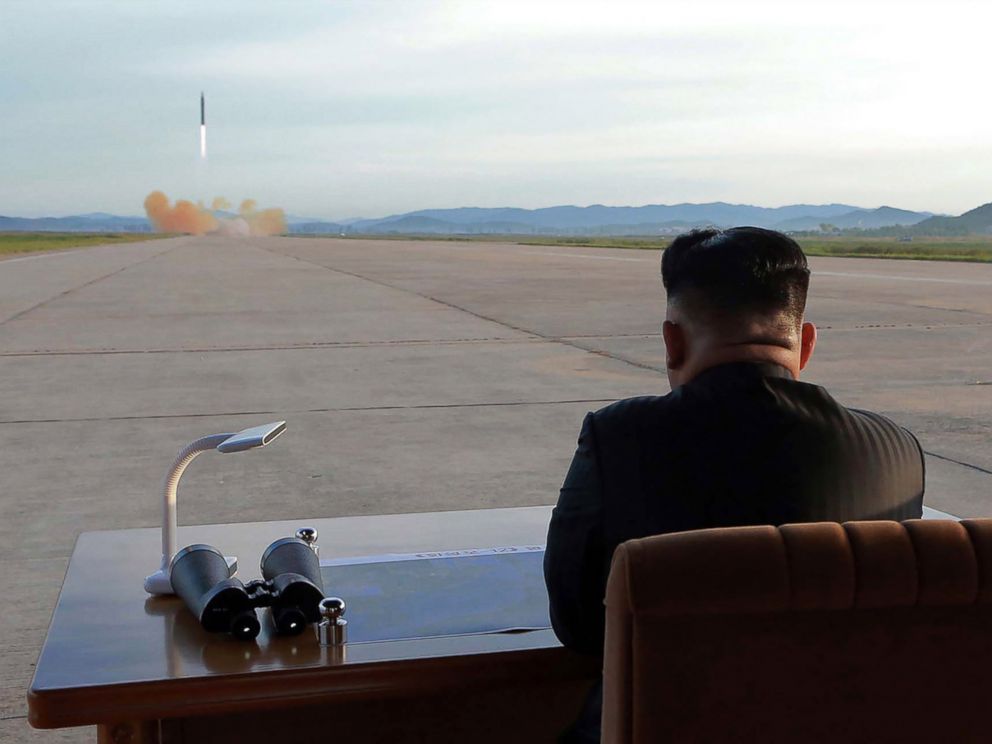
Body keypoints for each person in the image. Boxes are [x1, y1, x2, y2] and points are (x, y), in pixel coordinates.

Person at [544, 226, 925, 742]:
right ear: (805, 343)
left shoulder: (620, 437)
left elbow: (579, 626)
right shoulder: (897, 451)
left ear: (672, 341)